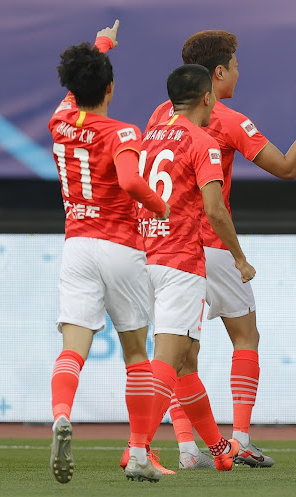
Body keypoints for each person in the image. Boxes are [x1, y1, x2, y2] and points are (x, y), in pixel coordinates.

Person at [145, 30, 296, 468]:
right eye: (236, 66)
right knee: (245, 335)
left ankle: (189, 449)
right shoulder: (225, 119)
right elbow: (286, 167)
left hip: (163, 246)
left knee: (180, 354)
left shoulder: (160, 113)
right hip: (209, 245)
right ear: (218, 74)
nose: (240, 74)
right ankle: (240, 438)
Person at [48, 21, 170, 483]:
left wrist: (101, 44)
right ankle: (138, 451)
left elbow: (73, 90)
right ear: (111, 88)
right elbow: (130, 182)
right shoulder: (122, 133)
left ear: (72, 89)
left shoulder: (59, 121)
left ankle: (62, 413)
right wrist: (161, 206)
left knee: (72, 348)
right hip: (119, 245)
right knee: (136, 352)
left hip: (76, 245)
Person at [119, 63, 256, 473]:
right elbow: (214, 209)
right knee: (169, 358)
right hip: (180, 261)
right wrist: (239, 257)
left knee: (185, 358)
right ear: (206, 98)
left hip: (145, 255)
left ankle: (217, 450)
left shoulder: (148, 136)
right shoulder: (202, 140)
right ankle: (137, 450)